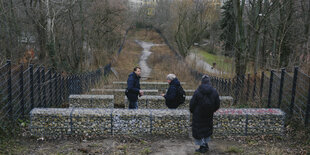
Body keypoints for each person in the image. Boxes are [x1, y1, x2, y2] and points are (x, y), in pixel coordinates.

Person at [190, 75, 220, 153]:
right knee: (206, 129)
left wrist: (192, 111)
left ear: (202, 82)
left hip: (198, 114)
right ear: (209, 82)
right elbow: (217, 104)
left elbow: (192, 104)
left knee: (199, 130)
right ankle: (205, 145)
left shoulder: (197, 91)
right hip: (209, 114)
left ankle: (203, 147)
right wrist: (212, 110)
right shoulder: (214, 91)